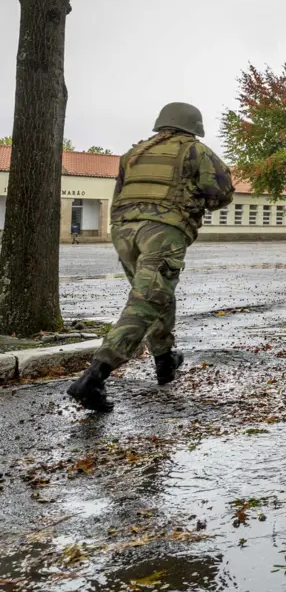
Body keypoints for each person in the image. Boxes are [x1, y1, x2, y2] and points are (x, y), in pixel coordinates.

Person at [68, 103, 234, 411]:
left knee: (157, 295)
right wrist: (196, 204)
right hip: (162, 231)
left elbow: (119, 195)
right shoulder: (194, 151)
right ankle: (95, 376)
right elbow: (224, 190)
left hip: (124, 232)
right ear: (193, 126)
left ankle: (164, 360)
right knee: (146, 302)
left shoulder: (134, 153)